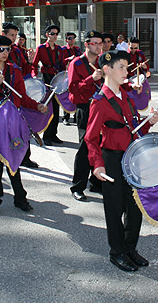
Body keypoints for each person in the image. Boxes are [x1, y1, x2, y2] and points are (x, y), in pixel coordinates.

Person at [86, 49, 158, 272]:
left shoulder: (126, 97)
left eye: (126, 67)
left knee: (135, 206)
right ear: (107, 70)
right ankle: (116, 251)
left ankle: (130, 248)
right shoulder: (99, 102)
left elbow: (134, 128)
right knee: (115, 207)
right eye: (121, 67)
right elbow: (90, 138)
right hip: (112, 159)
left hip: (132, 157)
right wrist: (97, 164)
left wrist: (150, 122)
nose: (126, 71)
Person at [0, 35, 47, 216]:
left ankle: (20, 198)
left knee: (14, 157)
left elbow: (21, 96)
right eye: (0, 49)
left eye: (8, 49)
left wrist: (36, 105)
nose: (5, 52)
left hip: (13, 119)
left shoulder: (14, 70)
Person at [68, 30, 105, 201]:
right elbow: (73, 89)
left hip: (101, 108)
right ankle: (77, 186)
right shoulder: (76, 63)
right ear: (87, 44)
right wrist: (91, 78)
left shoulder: (102, 62)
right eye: (94, 43)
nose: (98, 46)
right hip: (84, 108)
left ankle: (96, 182)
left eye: (100, 43)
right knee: (85, 147)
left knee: (101, 145)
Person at [2, 22, 38, 168]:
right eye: (12, 35)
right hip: (3, 95)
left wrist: (30, 60)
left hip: (18, 94)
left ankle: (24, 157)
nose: (14, 38)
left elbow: (24, 70)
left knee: (23, 125)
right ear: (3, 34)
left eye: (15, 35)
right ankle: (5, 155)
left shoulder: (17, 51)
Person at [33, 25, 64, 146]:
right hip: (46, 78)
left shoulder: (59, 49)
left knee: (56, 108)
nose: (54, 36)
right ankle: (46, 135)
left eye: (56, 34)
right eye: (52, 34)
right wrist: (34, 76)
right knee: (48, 108)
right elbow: (34, 64)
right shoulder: (41, 48)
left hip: (56, 79)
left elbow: (61, 65)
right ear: (47, 35)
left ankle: (53, 134)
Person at [62, 32, 82, 126]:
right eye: (70, 38)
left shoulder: (77, 49)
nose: (72, 40)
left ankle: (75, 116)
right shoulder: (63, 49)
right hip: (67, 74)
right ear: (66, 40)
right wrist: (68, 59)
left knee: (76, 94)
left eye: (73, 38)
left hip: (77, 74)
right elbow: (60, 61)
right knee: (67, 95)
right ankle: (66, 117)